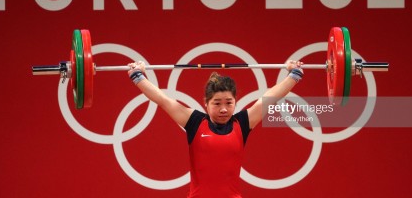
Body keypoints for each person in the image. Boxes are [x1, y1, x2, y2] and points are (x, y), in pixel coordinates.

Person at [127, 60, 304, 198]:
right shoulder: (195, 122)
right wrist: (138, 77)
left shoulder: (242, 123)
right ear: (206, 104)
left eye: (229, 103)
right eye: (217, 103)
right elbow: (163, 100)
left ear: (236, 101)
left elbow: (270, 97)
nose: (224, 109)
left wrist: (293, 75)